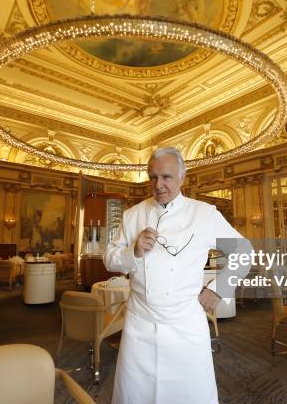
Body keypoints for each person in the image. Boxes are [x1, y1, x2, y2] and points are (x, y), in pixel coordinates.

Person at [103, 147, 252, 404]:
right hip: (141, 324)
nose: (158, 184)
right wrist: (133, 251)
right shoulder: (132, 215)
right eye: (153, 177)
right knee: (136, 394)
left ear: (183, 177)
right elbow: (109, 260)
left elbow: (243, 250)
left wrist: (218, 288)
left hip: (186, 324)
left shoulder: (204, 213)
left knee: (190, 394)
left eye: (166, 177)